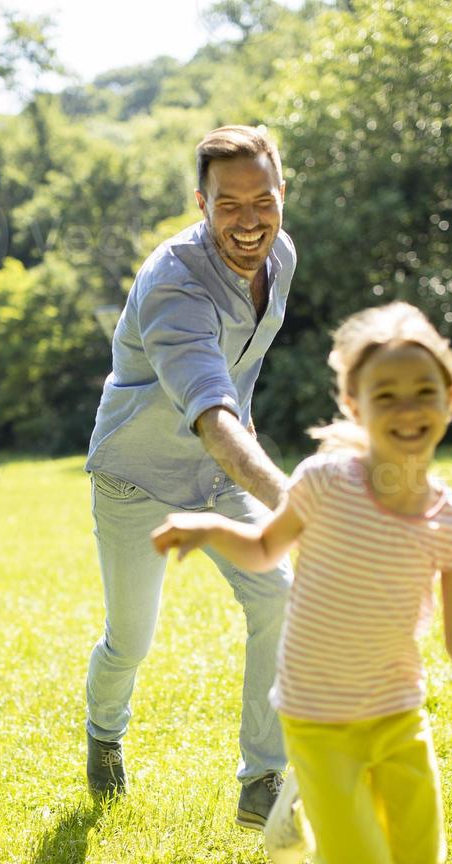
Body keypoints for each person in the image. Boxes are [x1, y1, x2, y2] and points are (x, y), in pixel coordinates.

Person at [152, 302, 452, 864]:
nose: (407, 407)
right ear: (355, 407)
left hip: (397, 715)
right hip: (317, 718)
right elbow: (266, 546)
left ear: (450, 398)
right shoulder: (326, 483)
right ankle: (299, 805)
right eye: (384, 393)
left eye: (424, 391)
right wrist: (209, 529)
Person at [85, 125, 297, 827]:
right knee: (131, 638)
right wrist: (300, 505)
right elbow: (209, 413)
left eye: (261, 200)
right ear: (200, 202)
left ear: (281, 195)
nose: (248, 220)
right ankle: (105, 735)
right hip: (135, 477)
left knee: (279, 599)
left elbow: (239, 368)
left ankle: (261, 780)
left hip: (216, 474)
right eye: (227, 204)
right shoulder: (173, 281)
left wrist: (249, 438)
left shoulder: (281, 256)